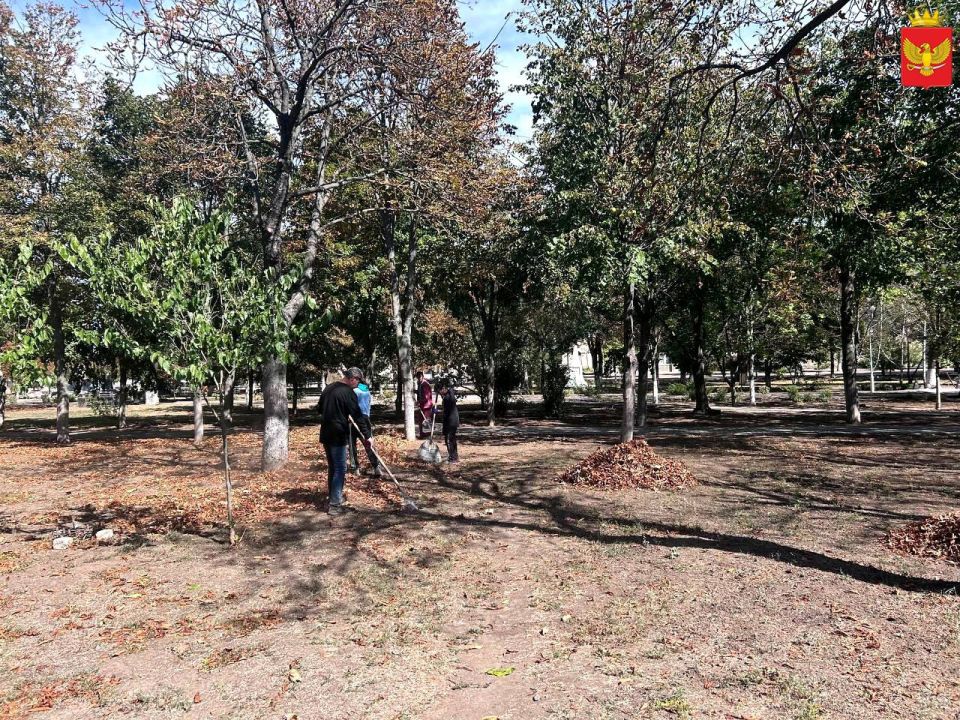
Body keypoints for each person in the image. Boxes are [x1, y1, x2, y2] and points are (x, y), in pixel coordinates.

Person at [318, 368, 371, 515]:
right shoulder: (348, 392)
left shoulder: (328, 388)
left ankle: (333, 498)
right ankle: (335, 505)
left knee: (333, 468)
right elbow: (358, 415)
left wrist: (338, 412)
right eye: (358, 381)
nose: (358, 384)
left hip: (326, 434)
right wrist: (368, 435)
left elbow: (319, 409)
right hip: (337, 434)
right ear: (352, 378)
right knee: (340, 468)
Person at [348, 380, 381, 478]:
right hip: (365, 418)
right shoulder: (366, 389)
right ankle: (376, 466)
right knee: (368, 443)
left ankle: (355, 468)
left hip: (354, 419)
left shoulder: (352, 391)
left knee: (352, 445)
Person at [435, 378, 460, 463]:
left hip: (451, 421)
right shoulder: (450, 393)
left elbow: (446, 411)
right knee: (451, 439)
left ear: (443, 389)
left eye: (439, 391)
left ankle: (453, 458)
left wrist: (437, 411)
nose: (439, 394)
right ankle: (454, 456)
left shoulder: (447, 398)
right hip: (451, 420)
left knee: (449, 439)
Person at [415, 370, 433, 439]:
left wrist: (419, 402)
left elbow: (426, 397)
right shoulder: (420, 383)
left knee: (426, 420)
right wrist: (414, 391)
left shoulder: (425, 384)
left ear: (422, 376)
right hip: (422, 405)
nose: (419, 378)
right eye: (418, 377)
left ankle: (429, 434)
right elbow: (420, 393)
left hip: (426, 405)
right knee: (420, 420)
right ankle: (422, 434)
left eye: (420, 377)